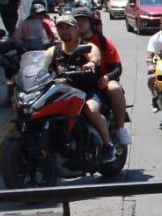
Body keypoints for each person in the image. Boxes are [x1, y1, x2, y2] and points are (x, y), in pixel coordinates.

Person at [51, 14, 115, 161]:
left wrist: (92, 63)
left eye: (68, 27)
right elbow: (42, 61)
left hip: (89, 92)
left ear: (76, 29)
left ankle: (107, 145)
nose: (64, 31)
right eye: (60, 27)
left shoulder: (87, 46)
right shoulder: (54, 50)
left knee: (90, 110)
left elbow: (95, 56)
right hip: (64, 93)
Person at [75, 9, 131, 146]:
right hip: (76, 82)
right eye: (77, 21)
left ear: (90, 22)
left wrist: (106, 77)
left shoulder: (103, 42)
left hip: (101, 82)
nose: (80, 23)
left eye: (83, 20)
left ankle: (120, 129)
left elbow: (118, 68)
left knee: (114, 88)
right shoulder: (70, 41)